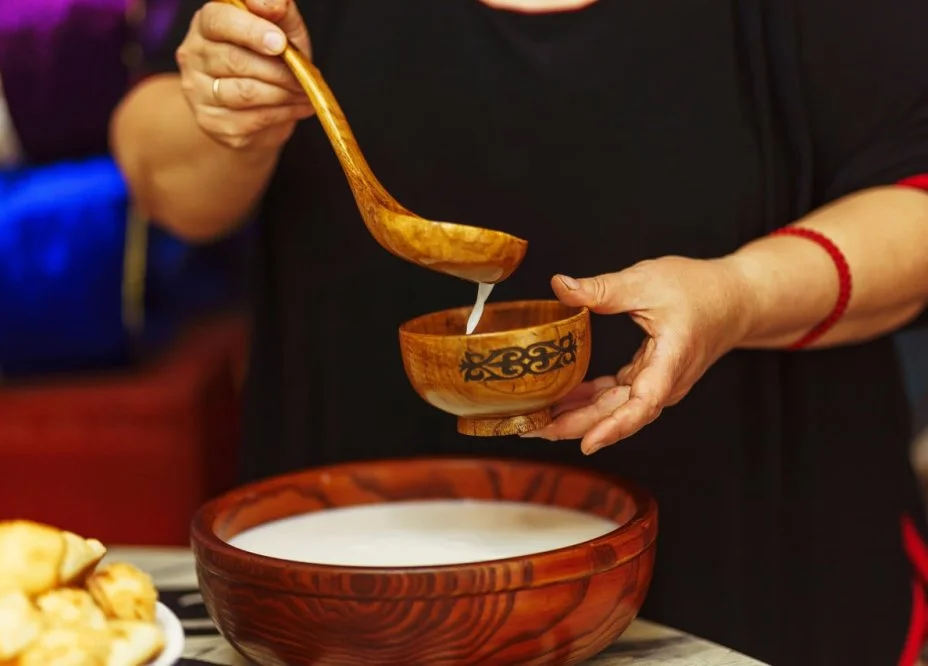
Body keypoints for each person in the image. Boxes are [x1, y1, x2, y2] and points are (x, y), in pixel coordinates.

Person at [112, 1, 928, 664]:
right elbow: (166, 181)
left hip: (763, 557)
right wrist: (228, 111)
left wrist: (740, 293)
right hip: (358, 575)